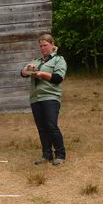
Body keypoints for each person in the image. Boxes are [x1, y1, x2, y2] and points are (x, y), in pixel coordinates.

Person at [21, 33, 67, 166]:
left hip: (50, 97)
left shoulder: (59, 60)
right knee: (41, 128)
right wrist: (26, 71)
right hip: (35, 98)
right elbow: (23, 73)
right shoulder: (36, 61)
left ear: (52, 44)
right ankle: (46, 155)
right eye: (40, 46)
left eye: (45, 45)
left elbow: (58, 78)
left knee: (51, 126)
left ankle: (60, 155)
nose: (42, 48)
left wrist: (42, 74)